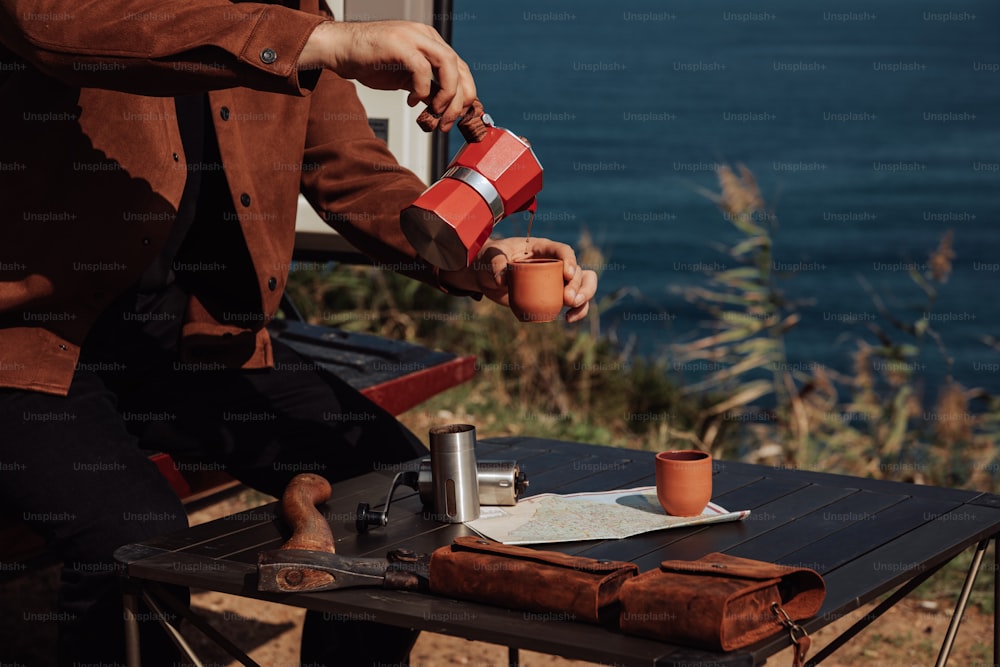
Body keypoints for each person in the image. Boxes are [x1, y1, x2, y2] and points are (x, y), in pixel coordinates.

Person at [0, 2, 598, 666]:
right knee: (131, 539)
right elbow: (52, 24)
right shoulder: (294, 28)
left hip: (186, 341)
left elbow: (353, 177)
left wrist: (479, 256)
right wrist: (323, 41)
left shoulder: (290, 10)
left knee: (393, 489)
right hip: (28, 349)